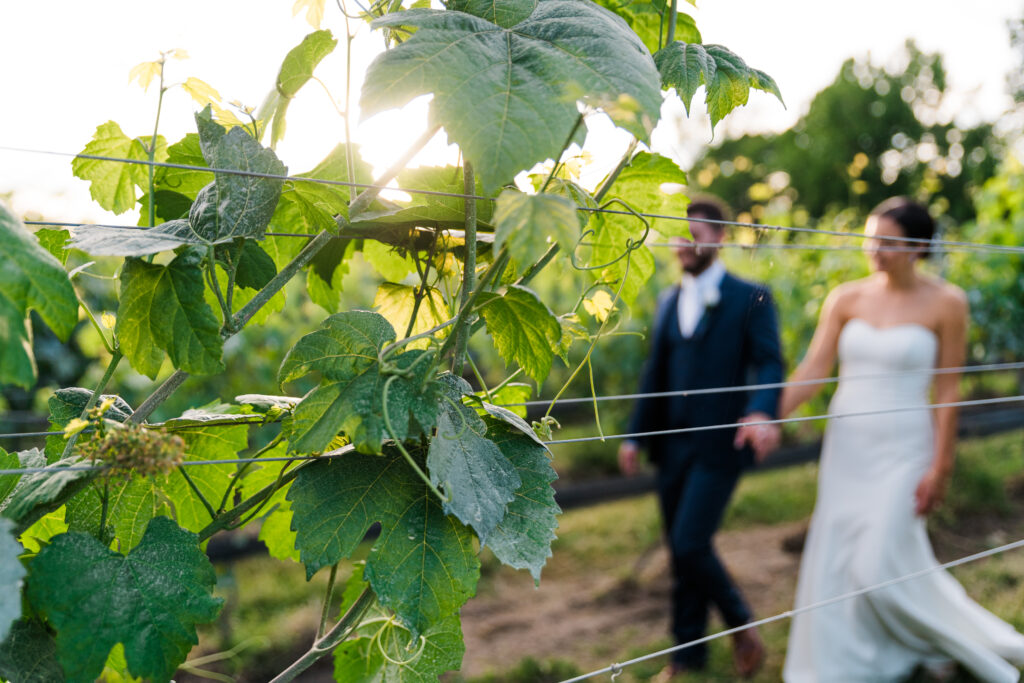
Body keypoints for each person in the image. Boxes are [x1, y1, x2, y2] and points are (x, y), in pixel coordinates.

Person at [781, 197, 1024, 682]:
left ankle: (977, 653)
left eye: (888, 242)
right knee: (841, 557)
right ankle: (852, 660)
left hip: (905, 447)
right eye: (871, 238)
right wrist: (765, 416)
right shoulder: (845, 298)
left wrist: (941, 467)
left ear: (917, 247)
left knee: (875, 567)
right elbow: (813, 370)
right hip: (848, 447)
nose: (875, 250)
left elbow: (947, 389)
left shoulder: (947, 302)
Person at [618, 198, 784, 679]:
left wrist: (760, 410)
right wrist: (634, 436)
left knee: (690, 543)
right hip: (672, 444)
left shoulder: (750, 296)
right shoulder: (669, 299)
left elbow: (770, 361)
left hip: (721, 445)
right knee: (681, 549)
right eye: (679, 236)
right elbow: (655, 373)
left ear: (720, 237)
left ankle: (741, 627)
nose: (685, 244)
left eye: (695, 235)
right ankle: (686, 657)